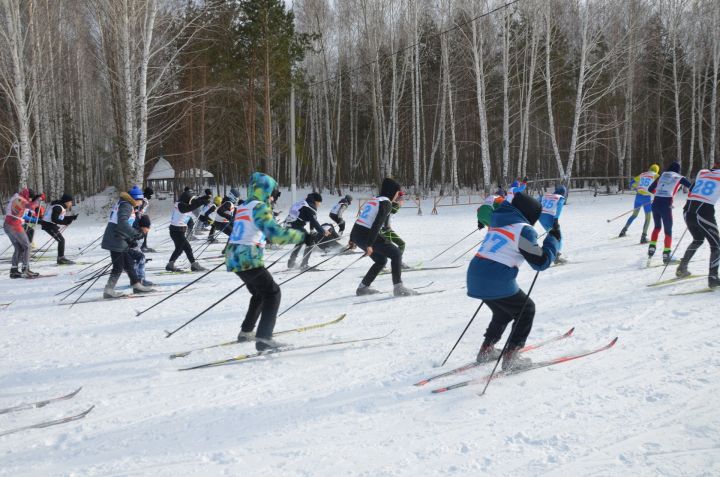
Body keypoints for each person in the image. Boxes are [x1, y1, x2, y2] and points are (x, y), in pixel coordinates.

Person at [467, 192, 560, 370]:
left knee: (503, 312)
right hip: (495, 277)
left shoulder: (498, 223)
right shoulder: (522, 229)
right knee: (526, 309)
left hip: (475, 274)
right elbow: (540, 262)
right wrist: (553, 239)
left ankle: (486, 350)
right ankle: (511, 357)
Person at [226, 172, 306, 351]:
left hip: (234, 255)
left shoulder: (244, 206)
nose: (273, 197)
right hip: (248, 256)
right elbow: (277, 235)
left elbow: (255, 230)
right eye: (273, 193)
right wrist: (302, 236)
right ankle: (264, 339)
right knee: (273, 294)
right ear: (265, 190)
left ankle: (246, 331)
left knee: (260, 293)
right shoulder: (260, 207)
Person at [351, 177, 416, 296]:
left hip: (357, 233)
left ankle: (362, 288)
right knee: (396, 253)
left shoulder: (374, 199)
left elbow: (362, 219)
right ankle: (398, 288)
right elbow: (377, 224)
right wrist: (369, 244)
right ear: (392, 191)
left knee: (381, 260)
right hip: (367, 234)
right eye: (397, 193)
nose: (397, 196)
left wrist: (352, 239)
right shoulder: (386, 203)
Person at [101, 188, 155, 298]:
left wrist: (130, 238)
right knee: (118, 266)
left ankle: (137, 285)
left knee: (128, 263)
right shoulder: (126, 205)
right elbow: (122, 223)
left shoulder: (126, 204)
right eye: (140, 199)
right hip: (116, 239)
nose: (141, 202)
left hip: (119, 238)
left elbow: (124, 224)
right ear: (136, 198)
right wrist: (135, 234)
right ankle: (109, 290)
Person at [676, 164, 720, 288]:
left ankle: (681, 268)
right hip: (704, 212)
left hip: (688, 211)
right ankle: (713, 277)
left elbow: (692, 189)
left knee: (698, 239)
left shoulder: (702, 172)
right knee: (716, 245)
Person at [647, 162, 692, 263]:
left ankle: (652, 247)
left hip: (655, 203)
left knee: (657, 227)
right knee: (668, 230)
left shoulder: (662, 175)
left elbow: (650, 189)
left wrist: (658, 194)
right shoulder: (679, 177)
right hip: (665, 205)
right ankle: (666, 255)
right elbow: (692, 187)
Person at [165, 190, 211, 272]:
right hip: (176, 231)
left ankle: (170, 264)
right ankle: (194, 265)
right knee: (187, 248)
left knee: (179, 248)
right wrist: (202, 202)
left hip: (178, 231)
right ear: (186, 199)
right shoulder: (180, 205)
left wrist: (204, 198)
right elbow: (189, 207)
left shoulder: (184, 204)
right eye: (190, 200)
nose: (191, 202)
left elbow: (194, 202)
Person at [4, 188, 43, 278]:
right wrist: (38, 199)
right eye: (30, 198)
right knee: (27, 246)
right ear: (27, 196)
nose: (30, 199)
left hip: (8, 225)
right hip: (14, 225)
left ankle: (14, 271)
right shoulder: (19, 200)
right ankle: (25, 269)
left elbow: (28, 204)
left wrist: (36, 198)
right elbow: (31, 206)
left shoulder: (17, 197)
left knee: (19, 248)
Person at [285, 192, 328, 270]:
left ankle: (291, 262)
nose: (319, 205)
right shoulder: (311, 206)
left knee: (301, 240)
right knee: (310, 240)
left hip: (287, 225)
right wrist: (323, 231)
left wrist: (312, 230)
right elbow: (314, 221)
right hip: (295, 226)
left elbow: (311, 219)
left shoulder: (303, 202)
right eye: (319, 203)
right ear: (316, 201)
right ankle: (304, 265)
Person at [618, 164, 659, 243]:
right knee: (648, 218)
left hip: (638, 197)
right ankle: (643, 237)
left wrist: (637, 188)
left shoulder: (643, 174)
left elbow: (631, 183)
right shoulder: (656, 176)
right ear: (657, 170)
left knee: (634, 215)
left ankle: (623, 231)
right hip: (646, 198)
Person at [40, 193, 79, 265]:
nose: (71, 204)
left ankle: (61, 258)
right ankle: (61, 259)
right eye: (70, 202)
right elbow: (54, 219)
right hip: (48, 225)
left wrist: (71, 217)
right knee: (61, 240)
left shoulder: (61, 207)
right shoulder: (58, 207)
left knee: (61, 240)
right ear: (66, 202)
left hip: (50, 225)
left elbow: (60, 217)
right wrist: (65, 222)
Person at [379, 191, 410, 269]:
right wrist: (398, 203)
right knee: (400, 244)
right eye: (401, 198)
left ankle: (396, 262)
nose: (402, 200)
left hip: (385, 229)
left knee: (398, 245)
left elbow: (388, 217)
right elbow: (392, 211)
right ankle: (385, 265)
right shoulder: (394, 206)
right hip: (383, 230)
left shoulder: (390, 204)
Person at [538, 185, 567, 264]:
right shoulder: (560, 197)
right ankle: (556, 256)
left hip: (540, 216)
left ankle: (551, 252)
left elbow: (537, 200)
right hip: (549, 217)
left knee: (551, 234)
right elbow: (559, 208)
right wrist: (556, 219)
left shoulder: (547, 196)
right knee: (558, 236)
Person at [127, 214, 154, 287]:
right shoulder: (136, 231)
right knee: (139, 259)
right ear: (142, 226)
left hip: (135, 249)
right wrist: (131, 242)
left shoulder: (141, 231)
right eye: (147, 227)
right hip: (128, 249)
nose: (148, 229)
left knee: (142, 258)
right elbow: (129, 239)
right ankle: (138, 280)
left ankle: (139, 279)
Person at [139, 186, 156, 252]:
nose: (151, 197)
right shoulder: (143, 199)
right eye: (150, 195)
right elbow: (139, 209)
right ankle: (142, 246)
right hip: (138, 217)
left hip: (140, 216)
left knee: (145, 230)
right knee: (143, 230)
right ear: (147, 194)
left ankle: (144, 245)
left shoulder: (144, 199)